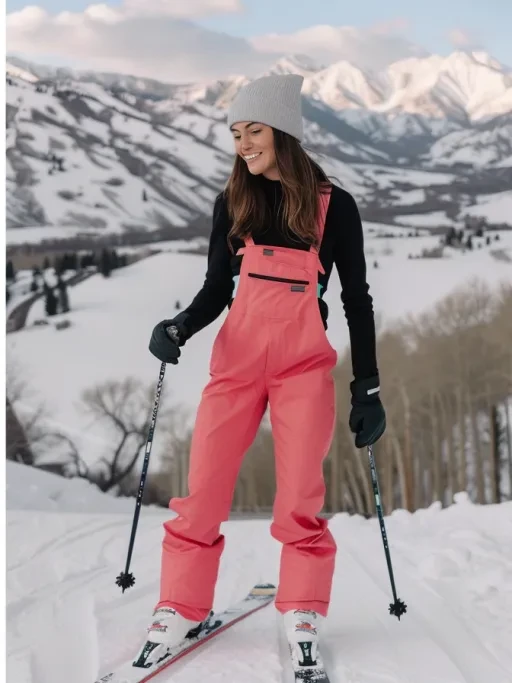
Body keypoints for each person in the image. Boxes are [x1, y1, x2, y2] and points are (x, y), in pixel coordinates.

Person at [145, 73, 386, 672]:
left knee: (300, 494)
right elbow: (214, 289)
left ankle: (302, 607)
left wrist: (368, 387)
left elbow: (356, 300)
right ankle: (180, 605)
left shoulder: (335, 207)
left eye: (254, 130)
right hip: (237, 368)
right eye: (235, 133)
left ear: (284, 133)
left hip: (303, 369)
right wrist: (179, 326)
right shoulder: (234, 202)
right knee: (202, 491)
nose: (243, 143)